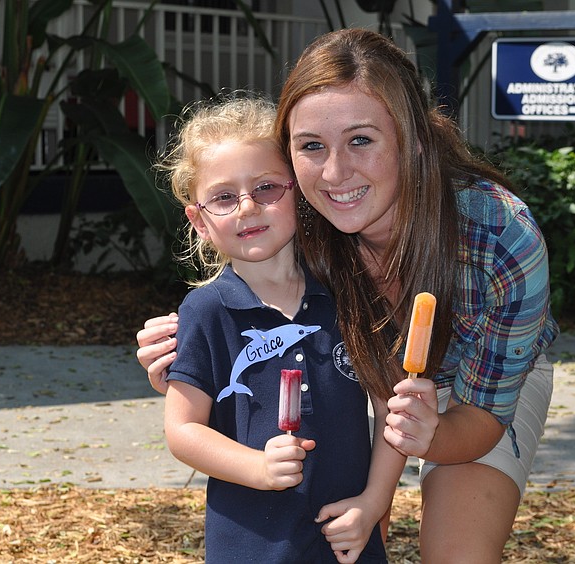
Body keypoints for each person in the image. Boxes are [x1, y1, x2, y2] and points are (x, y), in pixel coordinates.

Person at [139, 29, 558, 563]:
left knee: (459, 556)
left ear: (413, 139)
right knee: (349, 539)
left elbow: (479, 421)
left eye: (361, 140)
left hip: (476, 394)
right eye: (312, 146)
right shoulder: (293, 213)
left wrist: (422, 438)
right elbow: (238, 315)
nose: (335, 173)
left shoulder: (502, 237)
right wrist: (191, 363)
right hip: (354, 385)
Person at [151, 94, 404, 563]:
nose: (247, 208)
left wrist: (373, 503)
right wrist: (257, 467)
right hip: (250, 546)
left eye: (266, 188)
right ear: (199, 221)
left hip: (344, 538)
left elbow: (392, 407)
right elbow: (183, 431)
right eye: (224, 197)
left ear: (297, 191)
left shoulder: (348, 293)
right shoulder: (205, 311)